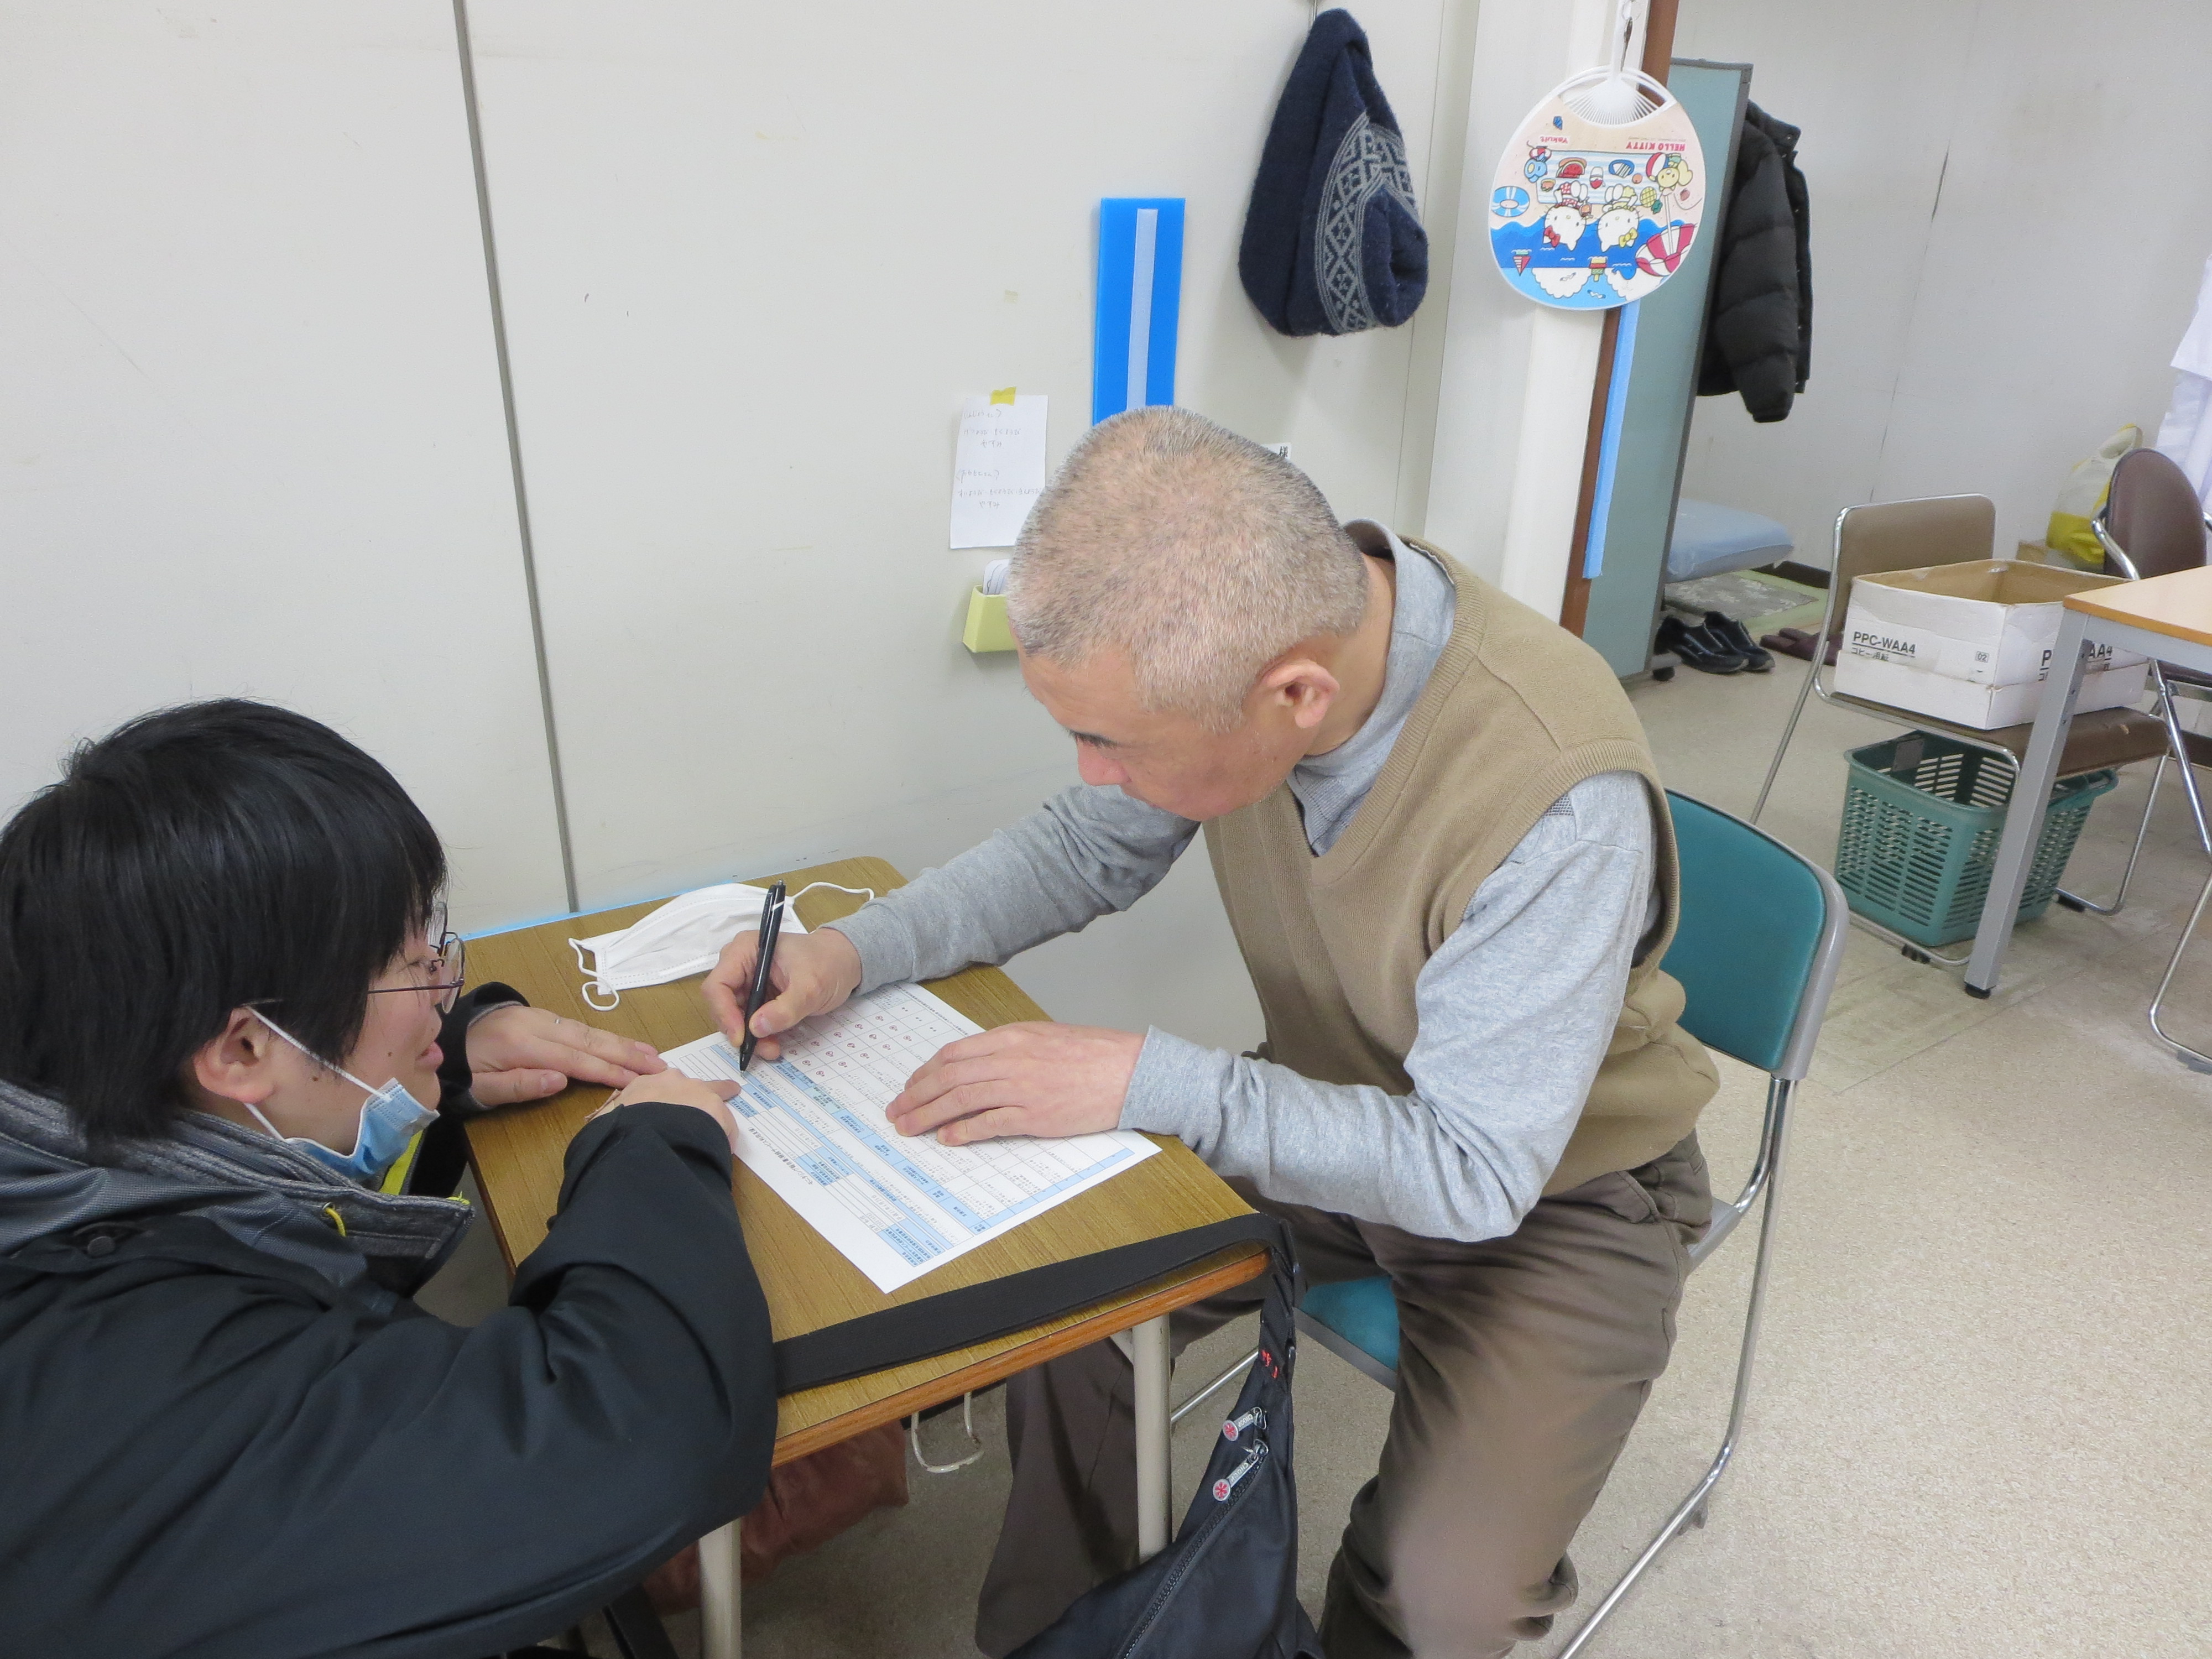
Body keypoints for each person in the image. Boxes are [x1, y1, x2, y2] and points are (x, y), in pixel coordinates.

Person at [705, 407, 1720, 1658]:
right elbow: (1082, 849)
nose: (1093, 773)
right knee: (1068, 1307)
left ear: (1293, 697)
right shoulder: (1259, 647)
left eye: (1109, 743)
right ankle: (1066, 1640)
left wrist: (1154, 1080)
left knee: (1443, 1591)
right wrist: (848, 953)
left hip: (1553, 1186)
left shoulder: (1556, 799)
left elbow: (1469, 1171)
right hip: (1327, 1098)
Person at [0, 700, 776, 1659]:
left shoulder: (72, 1116)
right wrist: (650, 1145)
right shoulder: (153, 1379)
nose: (443, 987)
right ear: (242, 1050)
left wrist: (434, 1066)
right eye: (412, 967)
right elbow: (647, 1433)